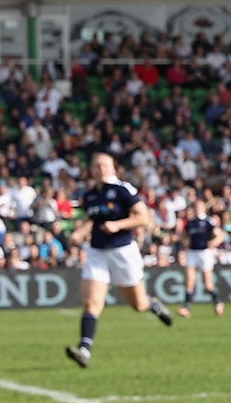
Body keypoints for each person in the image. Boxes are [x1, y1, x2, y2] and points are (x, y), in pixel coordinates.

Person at [64, 151, 172, 369]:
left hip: (122, 251)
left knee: (138, 304)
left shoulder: (123, 190)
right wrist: (79, 234)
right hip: (96, 252)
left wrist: (118, 225)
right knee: (92, 303)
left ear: (113, 168)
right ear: (92, 170)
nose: (101, 168)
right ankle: (84, 348)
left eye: (105, 165)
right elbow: (91, 221)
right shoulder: (90, 194)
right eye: (96, 165)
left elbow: (143, 217)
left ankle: (154, 305)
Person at [179, 194, 227, 318]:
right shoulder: (190, 223)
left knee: (208, 283)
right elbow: (184, 236)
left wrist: (214, 243)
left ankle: (217, 303)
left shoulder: (208, 222)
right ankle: (186, 308)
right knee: (190, 281)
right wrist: (185, 243)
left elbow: (220, 235)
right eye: (196, 207)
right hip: (192, 252)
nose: (197, 209)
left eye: (199, 206)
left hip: (204, 252)